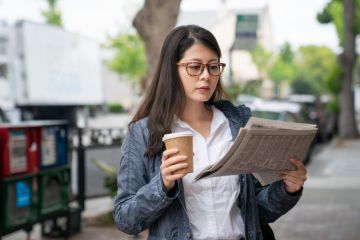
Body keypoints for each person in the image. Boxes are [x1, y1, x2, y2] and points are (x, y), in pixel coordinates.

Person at [114, 25, 307, 240]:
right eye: (195, 67)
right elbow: (126, 219)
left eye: (213, 66)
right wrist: (163, 184)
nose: (206, 76)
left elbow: (257, 211)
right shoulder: (143, 133)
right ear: (172, 69)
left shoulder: (237, 124)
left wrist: (288, 189)